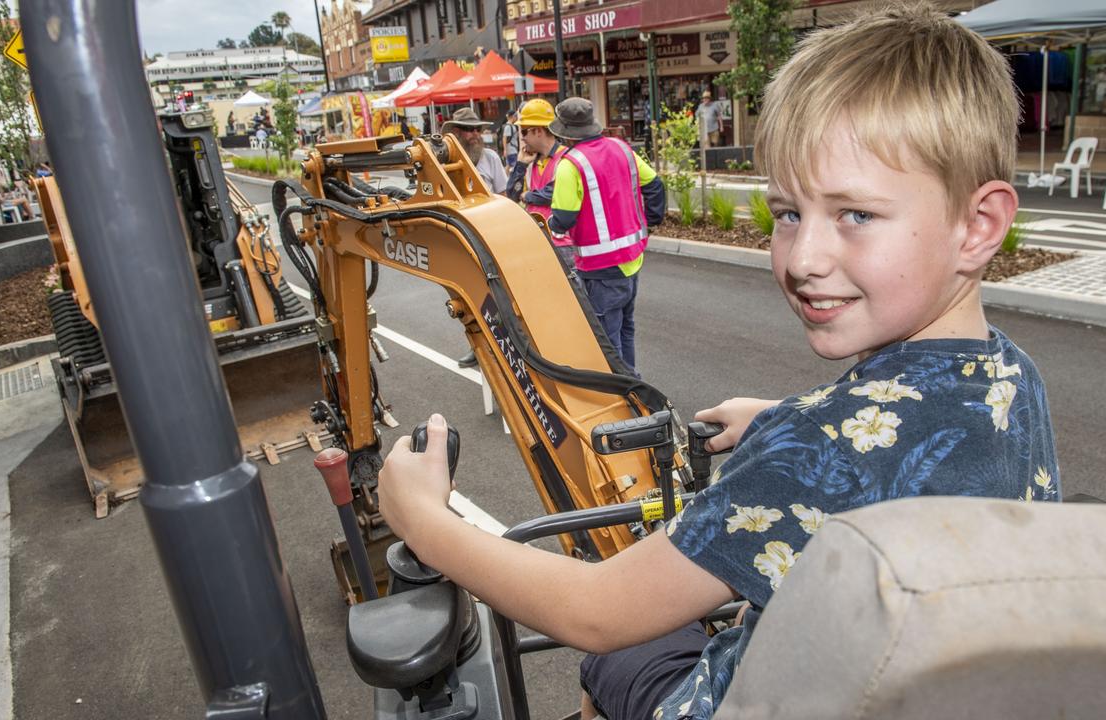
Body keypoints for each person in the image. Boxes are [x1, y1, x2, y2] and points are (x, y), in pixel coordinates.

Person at [373, 5, 1060, 720]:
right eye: (789, 213)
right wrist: (776, 413)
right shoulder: (1012, 377)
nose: (803, 258)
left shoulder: (812, 455)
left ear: (979, 227)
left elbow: (597, 609)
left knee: (613, 658)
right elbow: (910, 439)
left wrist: (427, 521)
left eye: (856, 215)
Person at [547, 97, 665, 374]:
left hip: (601, 269)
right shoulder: (622, 149)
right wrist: (652, 220)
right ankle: (635, 383)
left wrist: (552, 224)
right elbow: (655, 184)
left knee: (607, 342)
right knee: (626, 328)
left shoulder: (569, 164)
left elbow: (563, 218)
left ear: (564, 133)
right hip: (632, 260)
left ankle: (625, 399)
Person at [444, 106, 509, 369]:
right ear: (456, 133)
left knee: (499, 295)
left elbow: (504, 195)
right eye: (469, 130)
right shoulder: (444, 161)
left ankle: (509, 347)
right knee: (469, 298)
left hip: (491, 235)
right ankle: (477, 347)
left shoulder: (490, 157)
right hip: (461, 237)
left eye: (477, 129)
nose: (475, 134)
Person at [503, 99, 570, 263]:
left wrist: (527, 196)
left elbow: (553, 194)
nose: (522, 138)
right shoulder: (529, 160)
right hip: (536, 241)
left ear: (538, 131)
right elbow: (511, 195)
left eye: (524, 132)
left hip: (562, 244)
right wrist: (520, 165)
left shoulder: (566, 157)